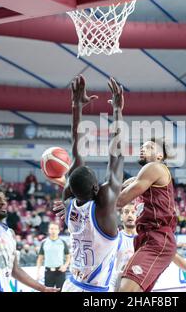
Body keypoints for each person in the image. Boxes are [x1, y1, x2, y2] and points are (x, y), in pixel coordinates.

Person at [52, 75, 125, 292]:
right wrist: (118, 111)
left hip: (71, 284)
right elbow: (117, 156)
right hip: (94, 290)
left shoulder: (68, 202)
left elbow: (77, 152)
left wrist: (76, 106)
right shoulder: (104, 206)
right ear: (96, 188)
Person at [0, 151, 56, 292]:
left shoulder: (10, 233)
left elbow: (15, 270)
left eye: (4, 199)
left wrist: (42, 288)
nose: (3, 203)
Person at [115, 137, 178, 292]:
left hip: (157, 238)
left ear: (159, 156)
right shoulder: (142, 177)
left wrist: (85, 206)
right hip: (149, 238)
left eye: (149, 147)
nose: (143, 149)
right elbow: (116, 190)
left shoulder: (154, 167)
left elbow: (119, 200)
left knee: (123, 290)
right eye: (142, 147)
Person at [111, 198, 186, 292]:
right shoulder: (116, 238)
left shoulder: (148, 239)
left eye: (133, 212)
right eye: (126, 212)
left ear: (138, 215)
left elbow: (174, 257)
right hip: (118, 286)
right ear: (121, 216)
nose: (130, 215)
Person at [36, 223, 71, 289]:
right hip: (48, 272)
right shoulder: (44, 242)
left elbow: (68, 257)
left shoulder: (63, 242)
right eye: (51, 229)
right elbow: (40, 259)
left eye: (55, 229)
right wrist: (38, 272)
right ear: (49, 230)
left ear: (58, 230)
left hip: (60, 271)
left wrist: (65, 266)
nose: (53, 231)